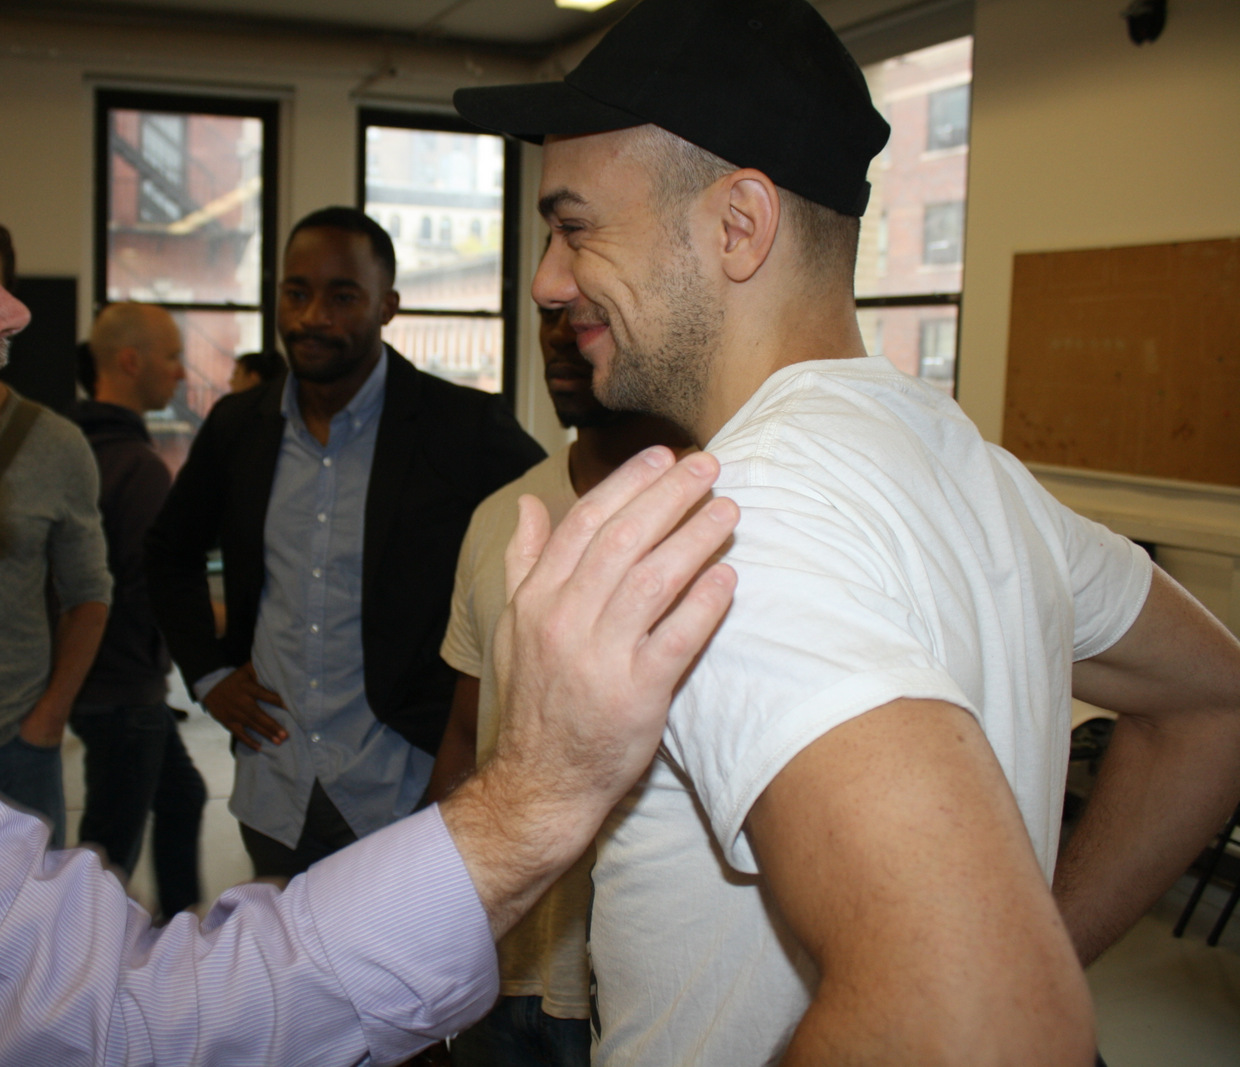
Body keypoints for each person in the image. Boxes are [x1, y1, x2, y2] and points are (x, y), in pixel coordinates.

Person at [0, 90, 741, 1064]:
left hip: (387, 774)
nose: (13, 313)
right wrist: (533, 797)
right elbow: (121, 1024)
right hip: (285, 775)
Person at [453, 0, 1240, 1063]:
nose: (548, 280)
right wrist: (1039, 944)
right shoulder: (979, 473)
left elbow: (976, 1017)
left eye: (576, 226)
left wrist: (1013, 968)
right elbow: (1213, 700)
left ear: (738, 225)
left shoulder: (739, 528)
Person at [146, 207, 546, 879]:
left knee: (408, 951)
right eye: (296, 293)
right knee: (278, 947)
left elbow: (553, 520)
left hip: (405, 784)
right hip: (276, 787)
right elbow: (167, 552)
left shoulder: (460, 426)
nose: (313, 317)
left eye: (342, 296)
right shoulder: (240, 426)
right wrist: (209, 676)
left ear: (388, 305)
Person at [427, 298, 692, 1066]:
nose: (559, 334)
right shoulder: (501, 516)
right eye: (550, 314)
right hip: (497, 973)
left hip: (634, 993)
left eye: (587, 311)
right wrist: (434, 946)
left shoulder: (714, 516)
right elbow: (465, 737)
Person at [0, 206, 112, 849]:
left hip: (13, 741)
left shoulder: (53, 444)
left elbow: (90, 593)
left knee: (33, 910)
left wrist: (47, 720)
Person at [72, 301, 208, 917]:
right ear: (130, 361)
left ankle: (179, 930)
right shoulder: (138, 468)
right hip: (124, 687)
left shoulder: (73, 449)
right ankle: (94, 949)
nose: (181, 373)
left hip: (96, 679)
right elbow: (148, 589)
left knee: (183, 795)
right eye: (173, 356)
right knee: (108, 852)